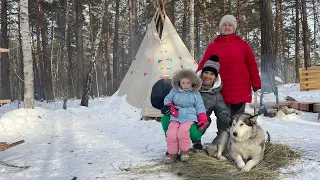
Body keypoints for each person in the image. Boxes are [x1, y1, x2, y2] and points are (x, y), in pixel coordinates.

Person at [161, 55, 232, 150]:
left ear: (215, 77)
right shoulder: (188, 83)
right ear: (202, 73)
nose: (208, 76)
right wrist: (167, 107)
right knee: (165, 119)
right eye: (206, 72)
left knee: (191, 131)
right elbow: (173, 96)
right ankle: (173, 145)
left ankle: (196, 139)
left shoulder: (216, 95)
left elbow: (222, 113)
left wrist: (231, 121)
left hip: (199, 120)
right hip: (180, 114)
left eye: (212, 74)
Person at [196, 15, 261, 117]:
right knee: (224, 118)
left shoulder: (243, 44)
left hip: (241, 87)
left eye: (230, 25)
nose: (227, 27)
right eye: (224, 25)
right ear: (221, 28)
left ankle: (237, 133)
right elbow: (204, 64)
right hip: (221, 88)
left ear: (234, 28)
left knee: (238, 120)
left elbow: (251, 64)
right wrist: (195, 80)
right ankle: (224, 133)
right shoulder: (213, 46)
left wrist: (256, 82)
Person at [163, 69, 207, 163]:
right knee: (171, 133)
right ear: (179, 83)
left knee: (182, 132)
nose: (186, 85)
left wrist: (202, 117)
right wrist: (169, 106)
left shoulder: (195, 93)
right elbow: (167, 99)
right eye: (183, 83)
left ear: (192, 83)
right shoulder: (174, 91)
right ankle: (172, 153)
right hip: (176, 115)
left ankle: (184, 151)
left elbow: (200, 106)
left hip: (189, 116)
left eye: (188, 82)